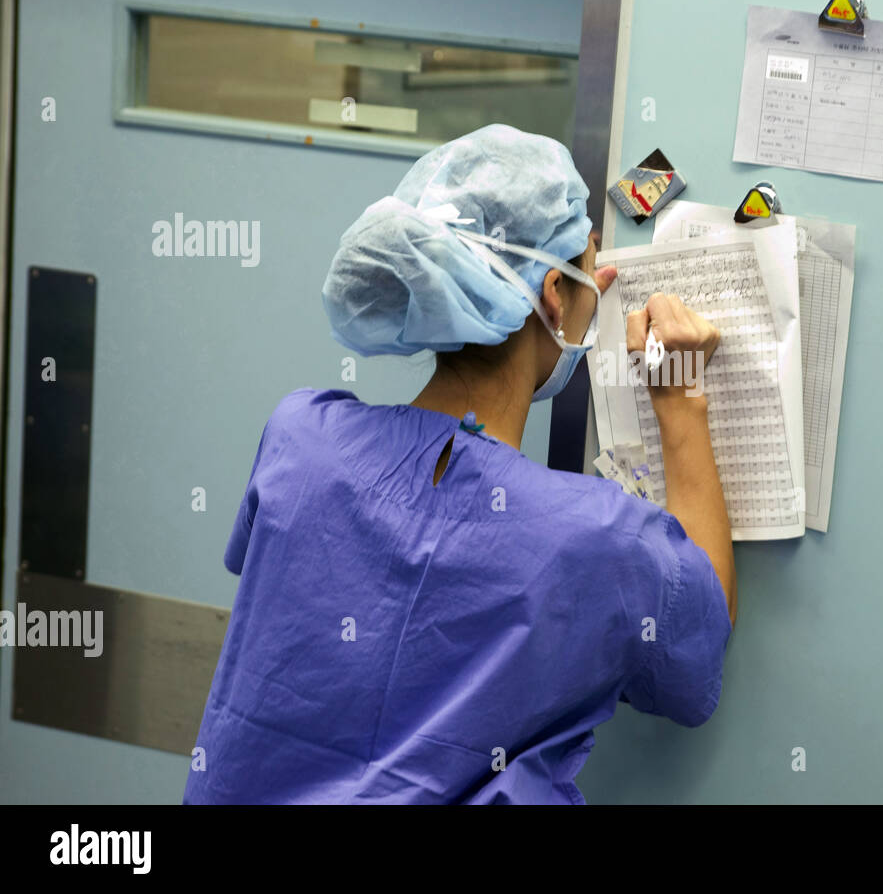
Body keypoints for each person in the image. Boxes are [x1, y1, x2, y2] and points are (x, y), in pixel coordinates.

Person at [183, 123, 736, 804]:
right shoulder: (595, 542)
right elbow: (695, 656)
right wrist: (679, 399)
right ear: (555, 297)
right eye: (588, 261)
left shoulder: (301, 441)